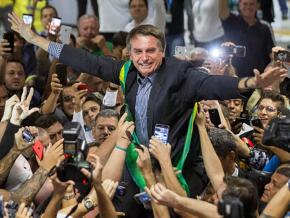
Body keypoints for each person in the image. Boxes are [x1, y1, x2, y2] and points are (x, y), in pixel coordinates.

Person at [8, 14, 288, 216]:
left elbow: (210, 84)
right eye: (138, 51)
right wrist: (36, 40)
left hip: (178, 164)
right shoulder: (125, 70)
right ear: (130, 52)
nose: (144, 57)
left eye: (151, 51)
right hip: (138, 161)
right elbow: (82, 59)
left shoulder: (180, 74)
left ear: (163, 51)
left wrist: (251, 84)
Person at [219, 0, 275, 77]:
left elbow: (273, 55)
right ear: (239, 5)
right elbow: (222, 10)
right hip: (235, 78)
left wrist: (270, 67)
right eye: (245, 4)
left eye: (251, 4)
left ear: (257, 6)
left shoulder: (264, 27)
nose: (248, 7)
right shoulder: (231, 22)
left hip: (258, 78)